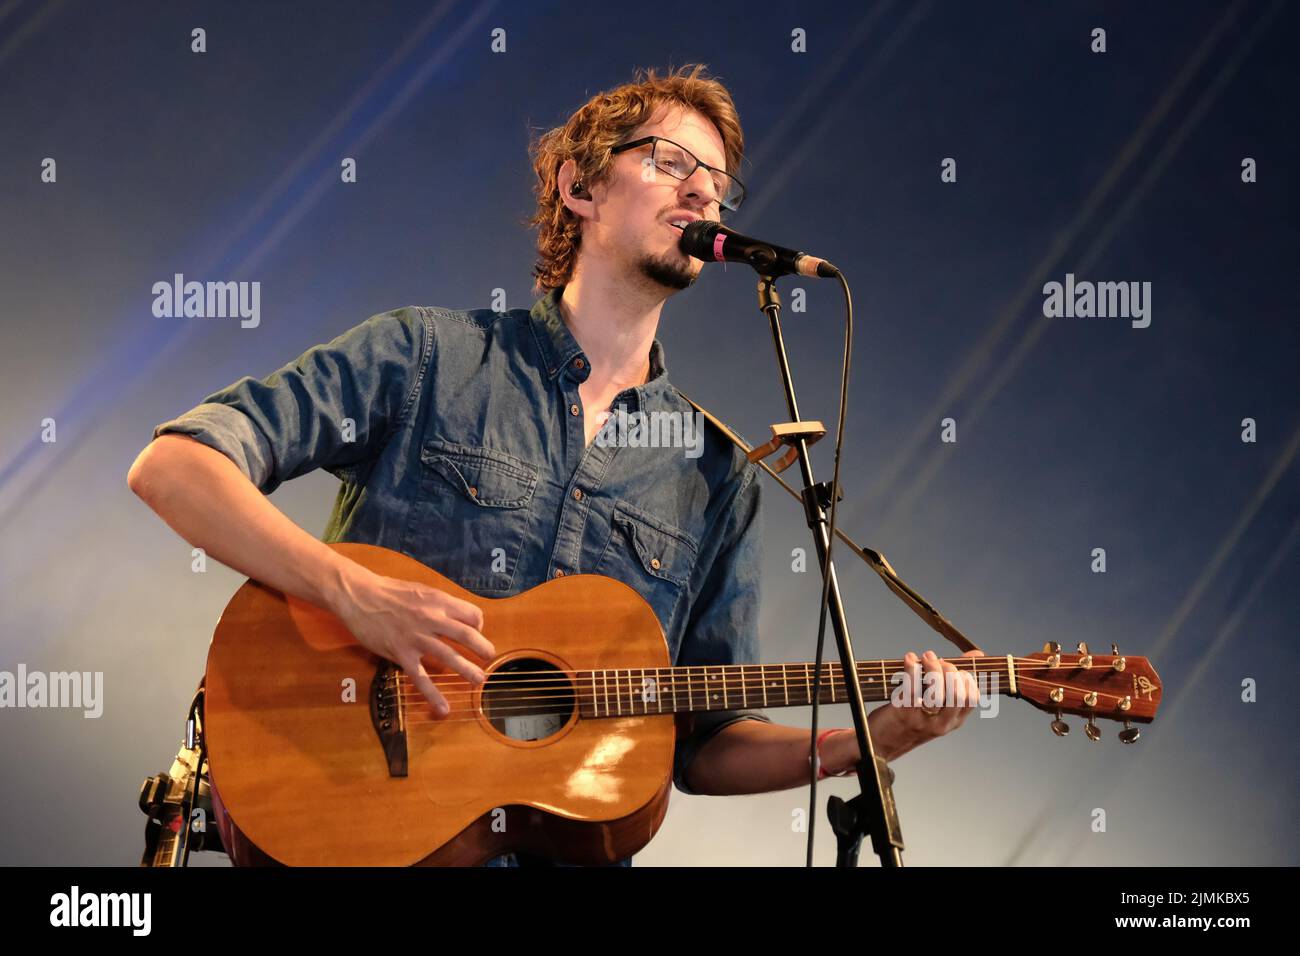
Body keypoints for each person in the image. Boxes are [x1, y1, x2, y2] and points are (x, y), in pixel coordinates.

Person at [127, 63, 982, 868]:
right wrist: (352, 594)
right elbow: (176, 465)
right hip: (354, 820)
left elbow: (708, 740)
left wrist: (871, 739)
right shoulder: (424, 355)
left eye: (718, 183)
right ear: (579, 186)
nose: (702, 191)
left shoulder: (716, 475)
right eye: (672, 161)